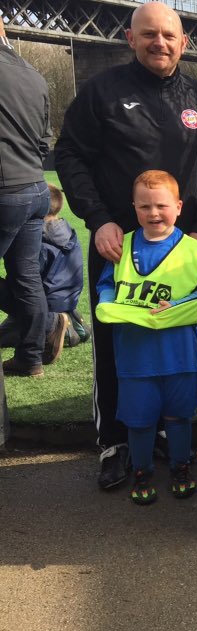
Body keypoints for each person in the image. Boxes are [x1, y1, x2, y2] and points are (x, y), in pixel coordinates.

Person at [56, 1, 197, 490]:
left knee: (174, 339)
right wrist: (98, 219)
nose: (159, 43)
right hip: (118, 244)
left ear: (183, 43)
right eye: (149, 34)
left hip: (179, 246)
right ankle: (115, 442)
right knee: (114, 342)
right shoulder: (102, 92)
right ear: (130, 39)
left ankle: (167, 434)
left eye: (169, 35)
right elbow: (70, 155)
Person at [94, 170, 197, 506]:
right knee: (141, 420)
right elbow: (106, 285)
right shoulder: (124, 246)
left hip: (179, 357)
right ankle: (142, 470)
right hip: (135, 358)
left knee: (179, 416)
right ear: (134, 207)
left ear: (177, 207)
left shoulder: (193, 250)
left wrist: (174, 306)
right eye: (145, 206)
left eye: (161, 206)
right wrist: (107, 303)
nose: (154, 213)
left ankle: (180, 467)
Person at [0, 19, 52, 379]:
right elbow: (45, 141)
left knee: (25, 278)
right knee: (26, 277)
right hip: (35, 187)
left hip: (5, 189)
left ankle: (38, 341)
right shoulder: (33, 75)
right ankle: (30, 357)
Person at [0, 184, 83, 362]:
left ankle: (53, 326)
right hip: (67, 303)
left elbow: (27, 282)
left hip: (47, 307)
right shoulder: (69, 233)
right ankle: (72, 324)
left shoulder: (41, 243)